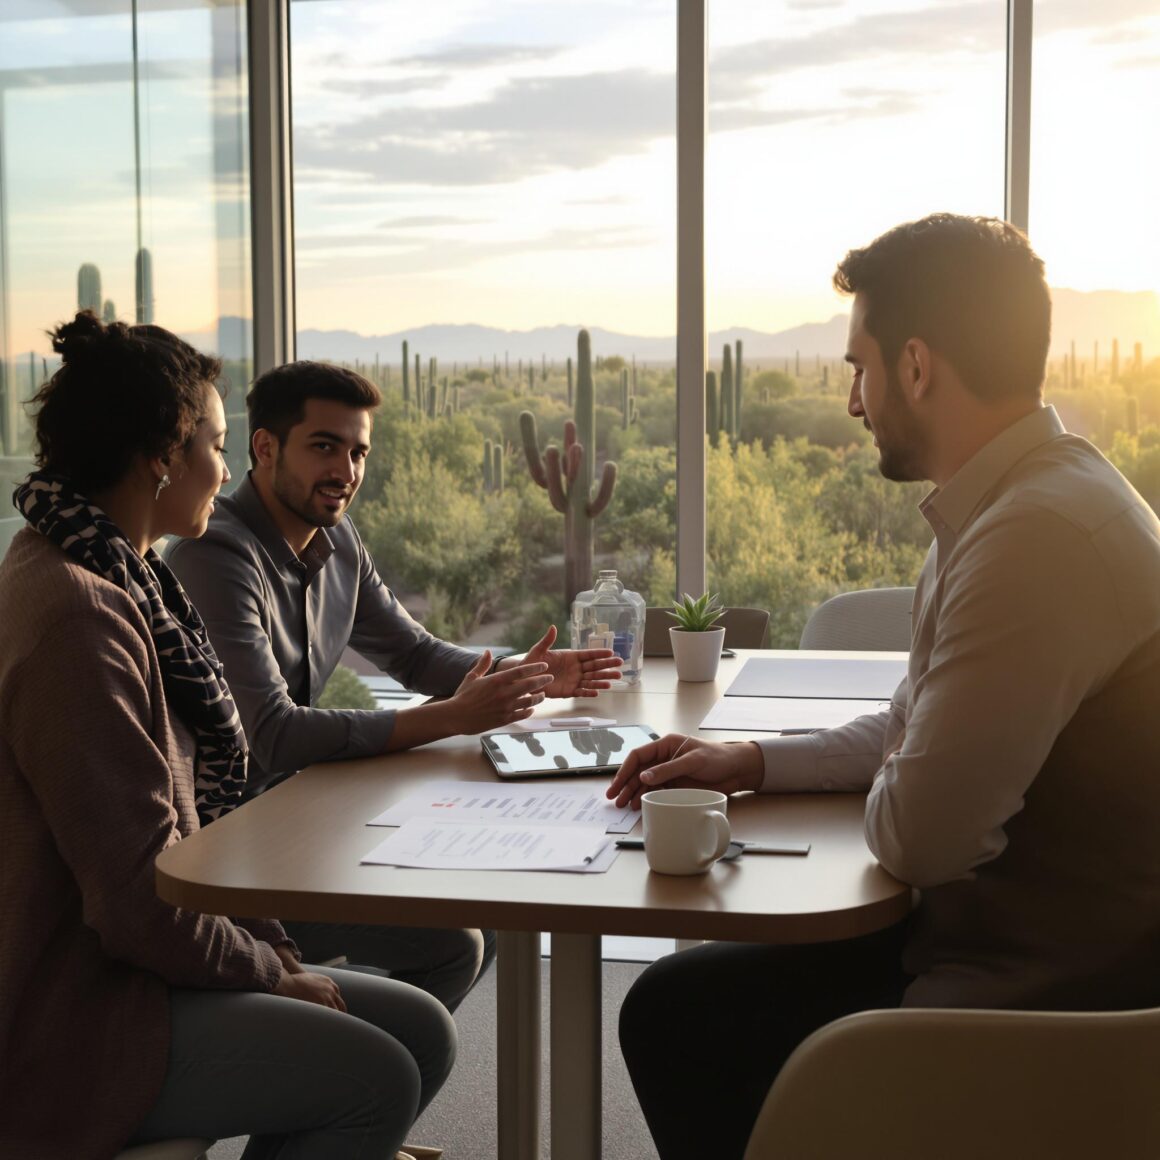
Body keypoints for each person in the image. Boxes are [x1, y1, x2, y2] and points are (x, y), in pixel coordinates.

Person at [607, 213, 1160, 1160]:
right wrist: (748, 759)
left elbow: (922, 830)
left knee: (683, 1021)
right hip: (997, 942)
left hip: (1048, 1002)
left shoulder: (1036, 541)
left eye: (857, 367)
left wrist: (908, 763)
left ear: (915, 366)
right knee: (679, 1002)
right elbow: (913, 724)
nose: (853, 402)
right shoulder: (1014, 504)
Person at [0, 311, 455, 1159]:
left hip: (143, 963)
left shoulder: (127, 580)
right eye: (215, 443)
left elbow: (201, 830)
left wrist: (273, 947)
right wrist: (273, 972)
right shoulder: (76, 614)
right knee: (376, 1077)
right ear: (161, 457)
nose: (226, 465)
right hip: (82, 1010)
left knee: (421, 1028)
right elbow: (137, 898)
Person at [165, 360, 622, 1010]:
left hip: (305, 811)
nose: (346, 471)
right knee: (453, 944)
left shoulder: (338, 540)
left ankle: (346, 1060)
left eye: (357, 452)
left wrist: (528, 674)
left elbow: (411, 652)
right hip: (232, 849)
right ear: (264, 447)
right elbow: (272, 737)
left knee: (479, 916)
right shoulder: (216, 557)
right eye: (324, 447)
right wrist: (457, 716)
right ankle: (342, 1074)